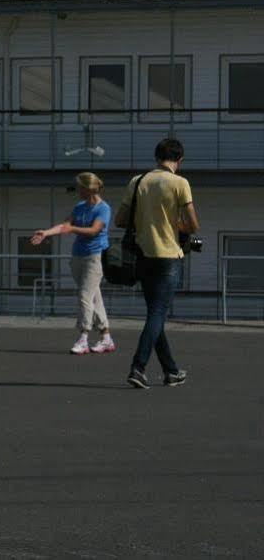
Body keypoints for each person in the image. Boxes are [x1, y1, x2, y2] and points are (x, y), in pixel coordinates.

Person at [115, 139, 197, 389]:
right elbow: (193, 225)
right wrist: (175, 226)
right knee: (158, 314)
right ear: (179, 160)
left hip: (142, 255)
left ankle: (171, 371)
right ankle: (138, 367)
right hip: (169, 256)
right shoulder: (179, 183)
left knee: (155, 314)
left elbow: (120, 220)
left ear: (156, 157)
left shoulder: (137, 181)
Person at [31, 172, 114, 355]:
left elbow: (94, 230)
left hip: (95, 256)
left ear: (88, 189)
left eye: (80, 188)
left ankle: (84, 336)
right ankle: (106, 337)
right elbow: (64, 225)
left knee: (84, 295)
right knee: (94, 297)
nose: (77, 191)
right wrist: (45, 233)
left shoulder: (103, 209)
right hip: (78, 256)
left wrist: (73, 229)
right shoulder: (79, 206)